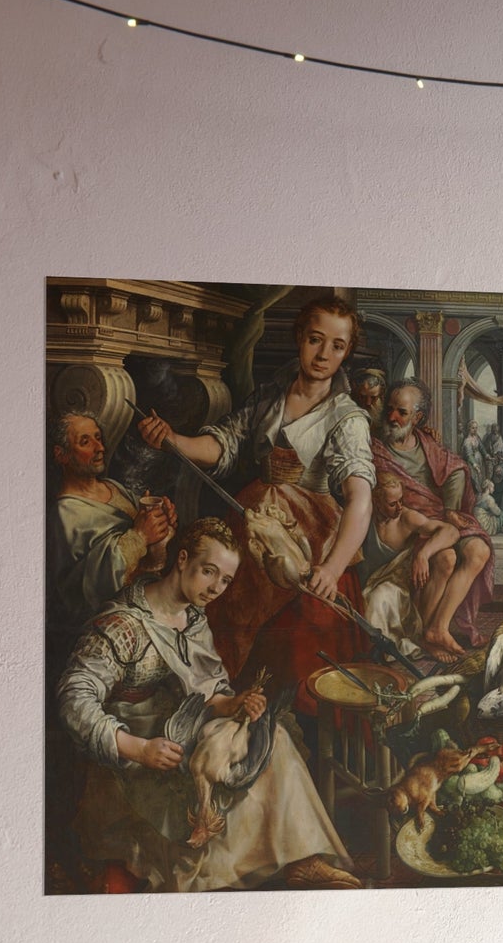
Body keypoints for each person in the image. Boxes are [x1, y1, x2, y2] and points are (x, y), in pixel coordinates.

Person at [57, 518, 359, 892]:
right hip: (134, 752)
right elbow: (73, 699)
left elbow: (208, 691)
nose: (216, 587)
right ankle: (225, 878)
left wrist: (235, 702)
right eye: (208, 572)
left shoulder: (194, 619)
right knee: (208, 780)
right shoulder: (123, 624)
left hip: (182, 729)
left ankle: (303, 859)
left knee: (271, 738)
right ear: (182, 559)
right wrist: (138, 748)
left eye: (226, 580)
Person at [137, 295, 375, 698]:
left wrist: (331, 570)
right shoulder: (271, 395)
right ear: (300, 338)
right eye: (316, 339)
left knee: (294, 650)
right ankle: (213, 700)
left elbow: (361, 499)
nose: (323, 354)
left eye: (337, 346)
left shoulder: (347, 418)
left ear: (347, 350)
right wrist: (173, 440)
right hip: (251, 526)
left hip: (310, 545)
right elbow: (226, 443)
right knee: (220, 610)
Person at [368, 378, 493, 657]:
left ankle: (438, 627)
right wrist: (424, 550)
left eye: (402, 412)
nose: (392, 417)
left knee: (478, 550)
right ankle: (428, 632)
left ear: (418, 417)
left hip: (438, 519)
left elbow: (456, 468)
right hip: (406, 526)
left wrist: (450, 508)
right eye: (390, 409)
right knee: (445, 557)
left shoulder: (426, 443)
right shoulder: (375, 450)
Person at [48, 412, 175, 633]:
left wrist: (164, 518)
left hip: (152, 604)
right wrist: (140, 536)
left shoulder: (113, 486)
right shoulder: (65, 513)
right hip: (111, 626)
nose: (100, 448)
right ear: (61, 455)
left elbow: (147, 531)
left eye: (98, 437)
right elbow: (82, 591)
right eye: (85, 441)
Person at [361, 473, 462, 658]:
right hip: (369, 581)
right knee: (376, 597)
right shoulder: (365, 518)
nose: (399, 507)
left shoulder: (407, 519)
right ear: (376, 501)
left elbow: (452, 531)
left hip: (400, 586)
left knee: (448, 556)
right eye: (393, 504)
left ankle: (421, 638)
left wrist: (424, 554)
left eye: (401, 500)